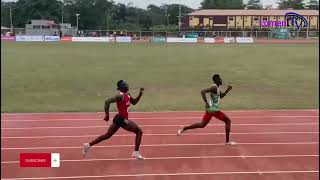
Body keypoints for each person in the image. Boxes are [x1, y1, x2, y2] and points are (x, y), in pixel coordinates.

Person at [82, 80, 145, 160]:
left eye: (126, 84)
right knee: (139, 131)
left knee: (107, 135)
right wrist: (107, 115)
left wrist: (140, 94)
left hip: (118, 118)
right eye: (124, 85)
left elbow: (134, 102)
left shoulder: (128, 95)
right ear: (121, 88)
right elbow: (107, 102)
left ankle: (88, 145)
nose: (126, 86)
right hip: (122, 119)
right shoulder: (120, 96)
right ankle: (136, 153)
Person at [177, 74, 236, 145]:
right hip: (213, 110)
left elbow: (221, 96)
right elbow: (202, 91)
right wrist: (206, 102)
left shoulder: (217, 88)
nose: (221, 80)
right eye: (219, 79)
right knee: (228, 121)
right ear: (216, 80)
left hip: (211, 110)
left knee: (202, 125)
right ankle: (227, 141)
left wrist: (227, 90)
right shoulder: (214, 87)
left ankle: (184, 128)